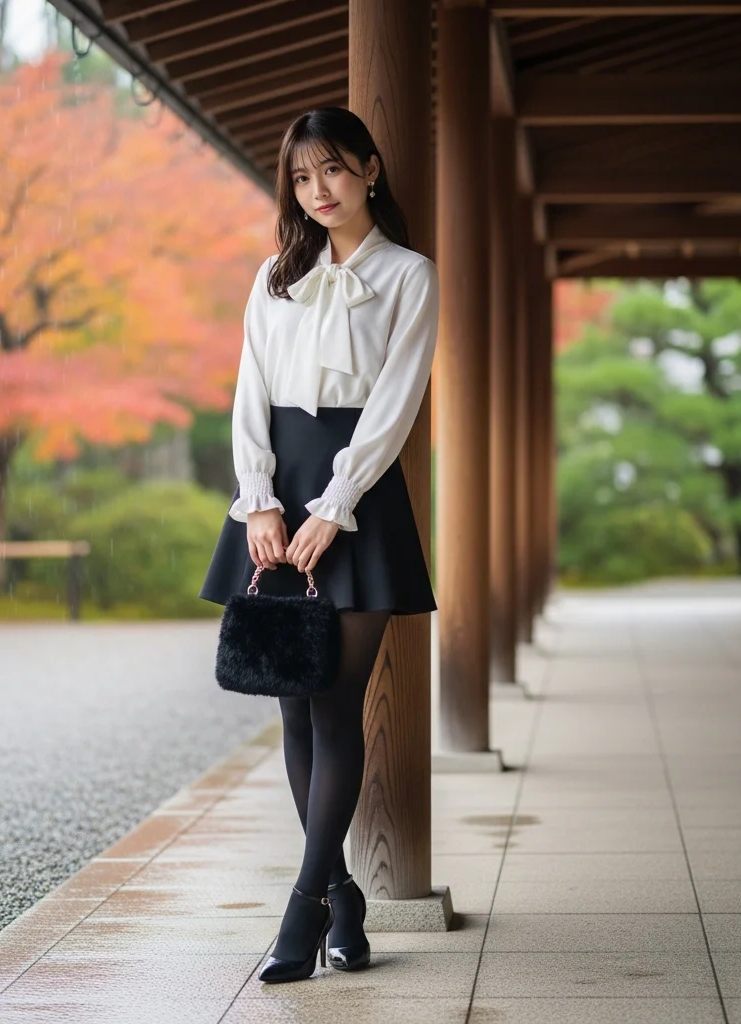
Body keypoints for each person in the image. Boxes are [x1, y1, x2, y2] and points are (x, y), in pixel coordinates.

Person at [199, 106, 439, 983]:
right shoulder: (276, 276)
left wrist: (337, 505)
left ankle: (303, 909)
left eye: (332, 169)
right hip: (276, 487)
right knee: (293, 705)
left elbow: (397, 401)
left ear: (370, 168)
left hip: (357, 493)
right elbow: (249, 393)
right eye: (302, 178)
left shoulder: (409, 275)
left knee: (335, 702)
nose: (318, 190)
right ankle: (341, 894)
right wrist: (257, 501)